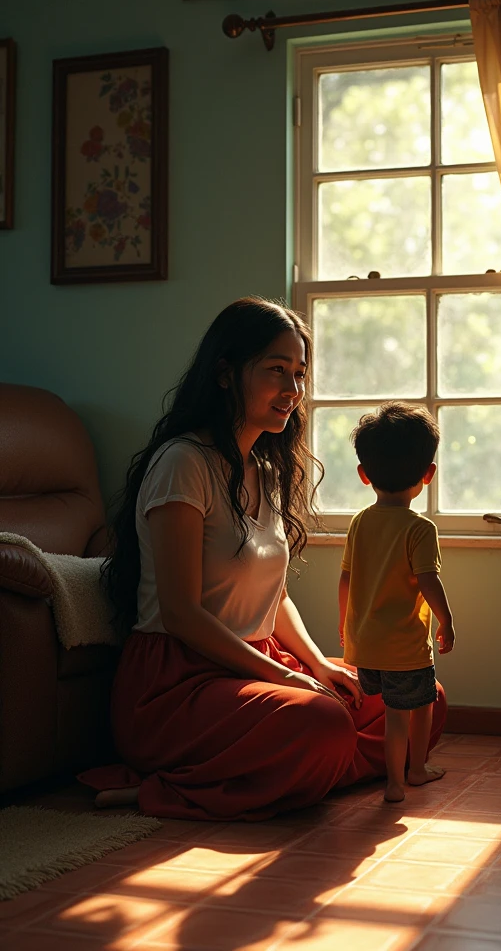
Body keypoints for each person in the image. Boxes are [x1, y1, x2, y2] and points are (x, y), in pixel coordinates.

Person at [78, 297, 448, 821]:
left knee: (420, 699)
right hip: (178, 684)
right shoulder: (183, 463)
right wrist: (287, 680)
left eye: (299, 375)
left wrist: (317, 662)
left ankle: (292, 772)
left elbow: (276, 596)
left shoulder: (265, 469)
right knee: (321, 721)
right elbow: (181, 614)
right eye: (277, 371)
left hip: (259, 663)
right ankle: (180, 788)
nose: (293, 391)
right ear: (226, 374)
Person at [339, 402, 455, 804]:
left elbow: (346, 578)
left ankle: (396, 780)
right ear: (428, 475)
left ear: (364, 474)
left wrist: (344, 627)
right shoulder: (420, 528)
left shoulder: (360, 522)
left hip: (365, 645)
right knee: (415, 707)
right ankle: (410, 774)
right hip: (405, 648)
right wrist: (447, 621)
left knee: (392, 711)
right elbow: (428, 580)